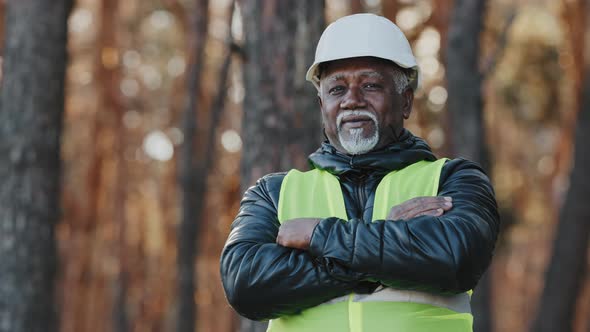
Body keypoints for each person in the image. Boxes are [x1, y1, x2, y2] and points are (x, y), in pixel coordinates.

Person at [220, 13, 499, 332]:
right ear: (321, 103)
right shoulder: (272, 194)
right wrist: (387, 246)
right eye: (337, 89)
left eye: (370, 85)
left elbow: (456, 259)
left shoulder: (454, 180)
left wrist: (319, 235)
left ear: (406, 100)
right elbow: (244, 285)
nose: (352, 100)